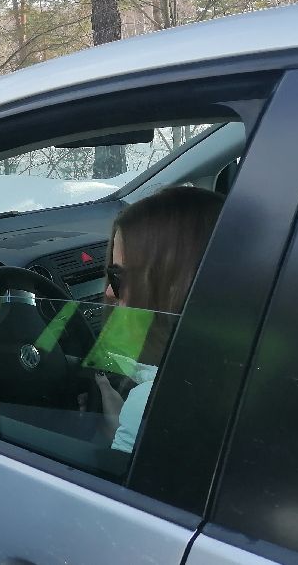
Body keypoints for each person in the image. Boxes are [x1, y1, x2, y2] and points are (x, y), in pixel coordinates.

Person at [93, 186, 225, 452]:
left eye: (120, 277)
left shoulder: (153, 404)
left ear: (172, 283)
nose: (109, 291)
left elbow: (108, 487)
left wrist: (116, 429)